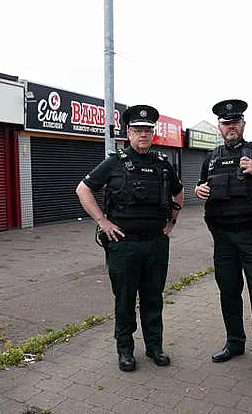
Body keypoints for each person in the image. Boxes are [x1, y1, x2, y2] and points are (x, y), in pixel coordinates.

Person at [75, 104, 184, 372]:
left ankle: (155, 347)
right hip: (124, 245)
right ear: (128, 132)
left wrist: (172, 221)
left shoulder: (162, 164)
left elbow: (178, 194)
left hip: (156, 244)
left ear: (153, 132)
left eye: (148, 130)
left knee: (153, 297)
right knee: (124, 299)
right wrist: (102, 221)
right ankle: (125, 350)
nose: (143, 135)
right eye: (138, 130)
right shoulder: (114, 163)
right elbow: (83, 189)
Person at [194, 99, 252, 382]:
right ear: (219, 128)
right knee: (229, 293)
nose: (230, 127)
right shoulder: (210, 159)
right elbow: (204, 189)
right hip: (222, 238)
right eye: (225, 123)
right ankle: (234, 343)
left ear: (243, 125)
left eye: (235, 122)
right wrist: (199, 191)